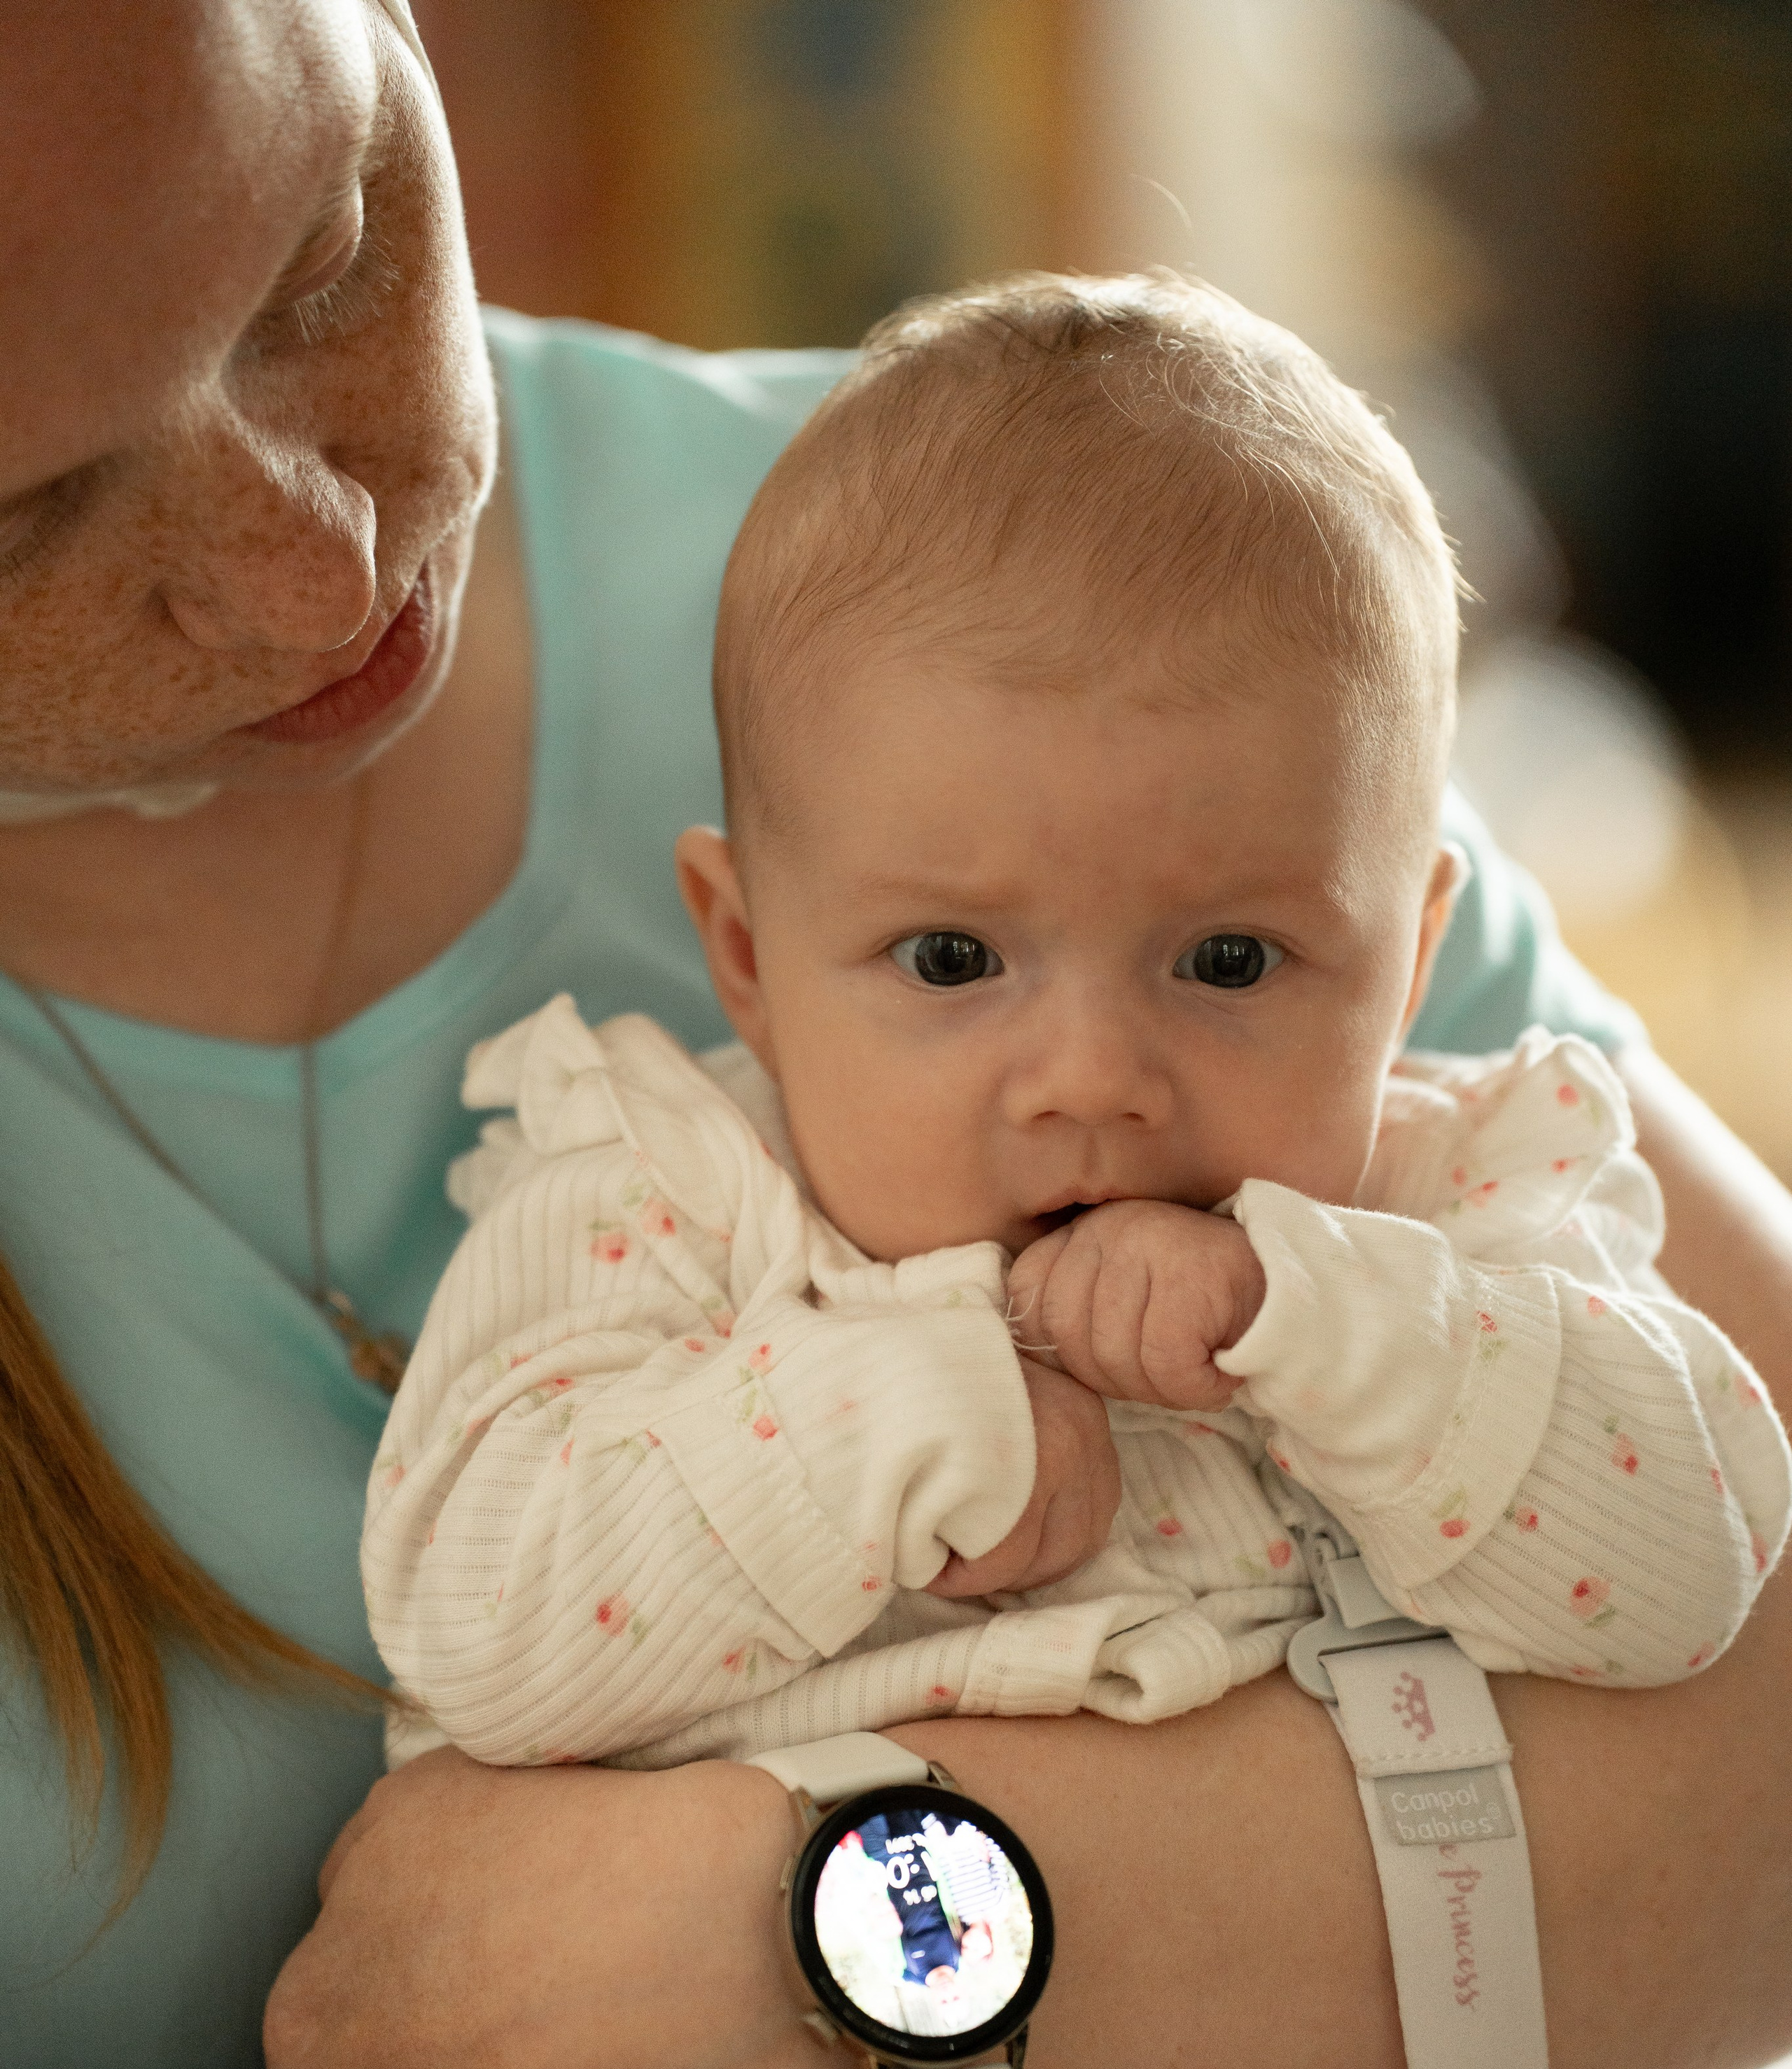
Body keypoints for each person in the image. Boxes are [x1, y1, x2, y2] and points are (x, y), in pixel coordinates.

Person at [0, 1, 1787, 2069]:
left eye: (329, 258)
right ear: (737, 938)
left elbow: (1740, 1582)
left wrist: (828, 1949)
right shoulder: (650, 1180)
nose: (315, 566)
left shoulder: (1032, 567)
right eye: (26, 514)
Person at [364, 278, 1786, 1812]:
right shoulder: (661, 1205)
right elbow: (475, 1638)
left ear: (1413, 965)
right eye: (952, 960)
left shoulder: (1461, 1203)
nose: (1096, 1079)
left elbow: (1693, 1571)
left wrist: (1319, 1325)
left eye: (1229, 961)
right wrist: (895, 1423)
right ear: (747, 955)